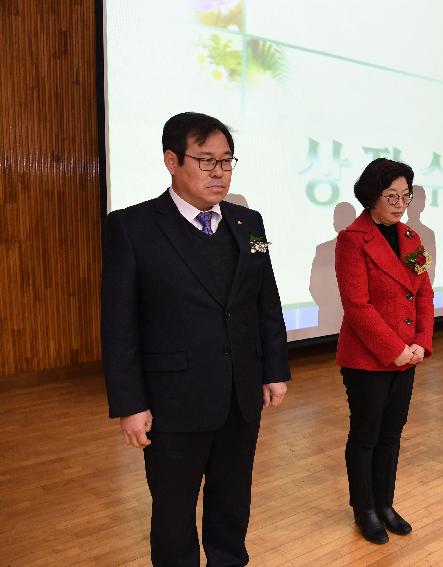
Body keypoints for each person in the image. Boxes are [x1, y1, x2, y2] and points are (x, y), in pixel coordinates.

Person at [102, 112, 291, 566]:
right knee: (173, 513)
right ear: (171, 161)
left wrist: (274, 370)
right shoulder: (132, 227)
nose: (219, 172)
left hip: (239, 395)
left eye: (226, 161)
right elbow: (118, 323)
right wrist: (130, 403)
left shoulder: (249, 224)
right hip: (172, 402)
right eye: (205, 161)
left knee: (232, 503)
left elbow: (265, 303)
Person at [334, 158, 435, 544]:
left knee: (392, 435)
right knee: (366, 436)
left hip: (407, 355)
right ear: (371, 194)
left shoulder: (412, 238)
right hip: (368, 360)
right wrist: (394, 350)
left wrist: (421, 344)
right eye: (391, 195)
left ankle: (385, 502)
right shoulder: (352, 239)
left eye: (405, 195)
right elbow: (356, 306)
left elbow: (423, 293)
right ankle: (365, 510)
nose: (399, 203)